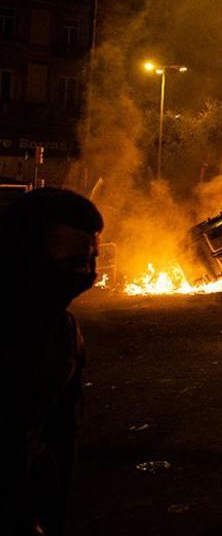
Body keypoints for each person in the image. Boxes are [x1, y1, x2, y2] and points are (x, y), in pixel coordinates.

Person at [1, 188, 104, 536]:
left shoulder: (64, 333)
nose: (88, 273)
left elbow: (63, 434)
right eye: (74, 262)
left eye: (91, 260)